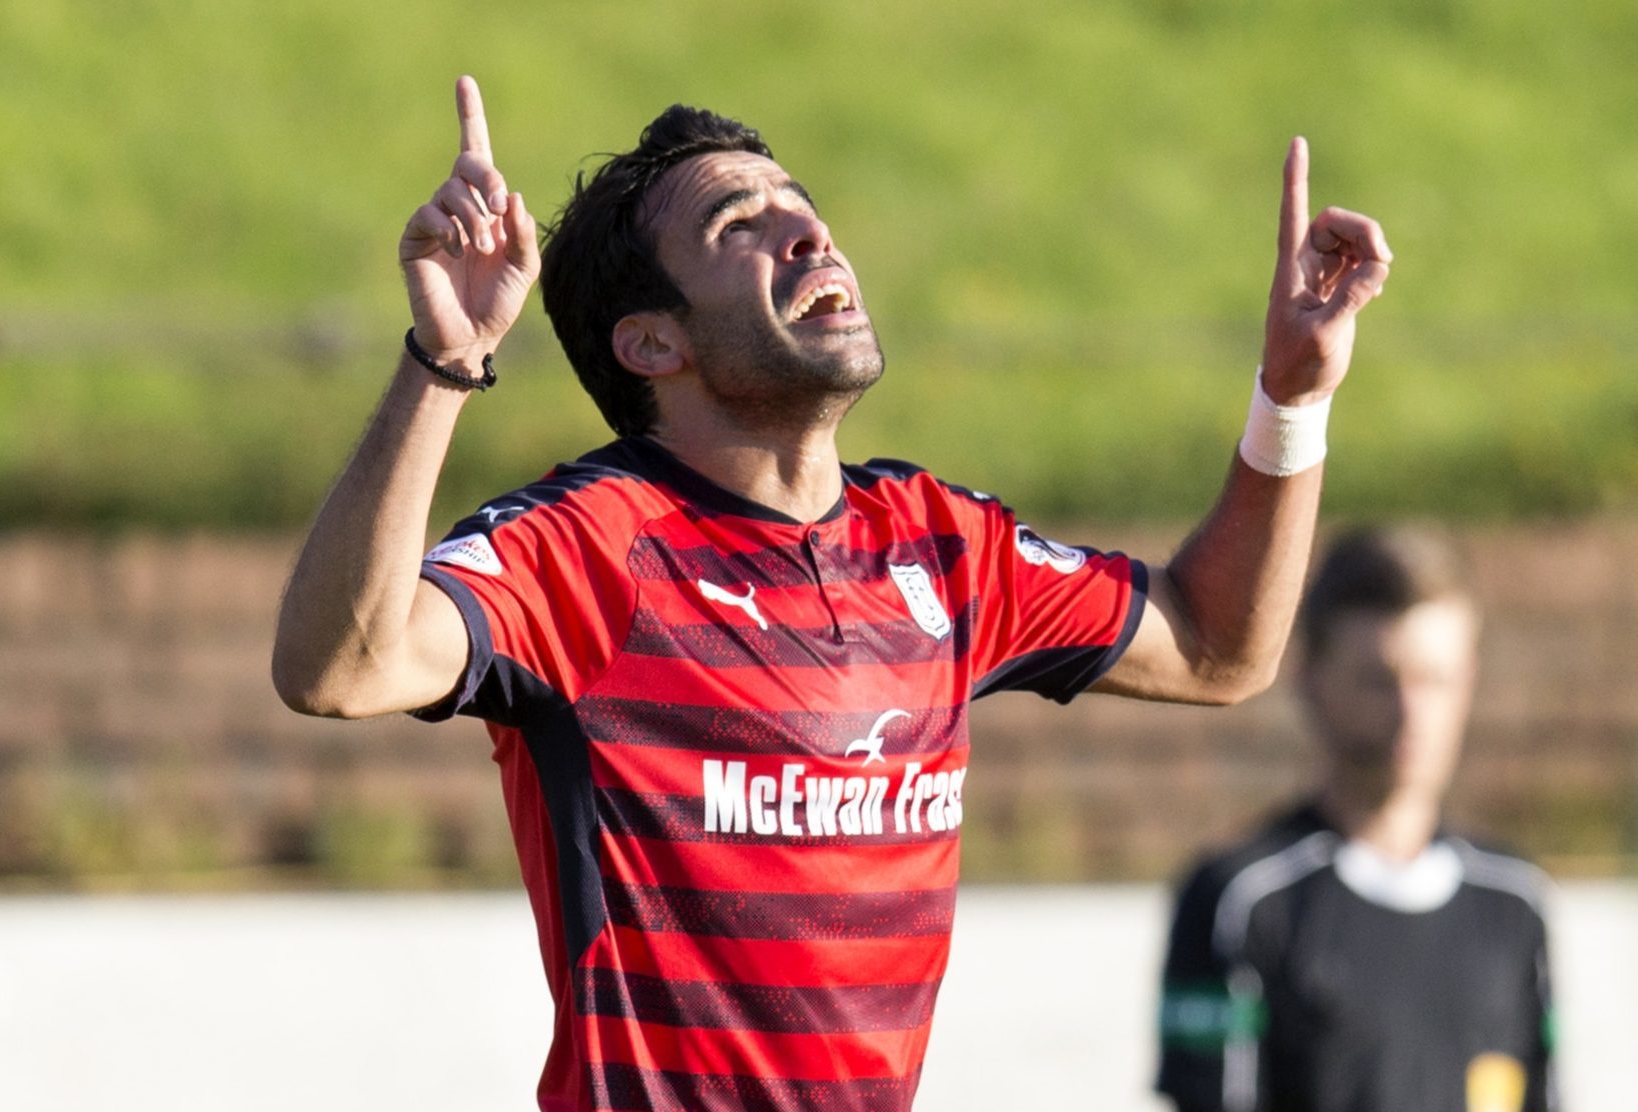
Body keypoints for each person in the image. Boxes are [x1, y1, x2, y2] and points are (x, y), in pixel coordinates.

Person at [271, 74, 1390, 1110]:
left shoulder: (944, 546)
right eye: (736, 228)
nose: (805, 231)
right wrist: (441, 360)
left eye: (796, 205)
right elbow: (341, 664)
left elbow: (1214, 646)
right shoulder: (587, 545)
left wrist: (1290, 400)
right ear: (652, 341)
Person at [1154, 527, 1557, 1112]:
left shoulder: (1515, 898)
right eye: (1380, 681)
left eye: (1435, 681)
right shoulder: (1240, 900)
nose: (1410, 712)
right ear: (1310, 680)